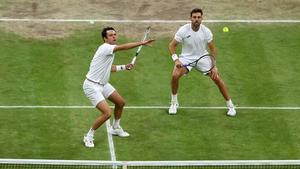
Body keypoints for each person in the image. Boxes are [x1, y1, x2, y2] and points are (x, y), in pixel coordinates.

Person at [83, 27, 154, 148]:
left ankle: (115, 128)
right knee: (107, 113)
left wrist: (124, 67)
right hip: (91, 86)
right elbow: (124, 47)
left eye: (115, 34)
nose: (114, 37)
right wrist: (141, 43)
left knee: (120, 103)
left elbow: (110, 68)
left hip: (103, 84)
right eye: (111, 35)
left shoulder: (108, 51)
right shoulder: (106, 48)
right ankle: (89, 136)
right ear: (105, 38)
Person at [168, 8, 236, 116]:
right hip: (186, 57)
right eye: (194, 17)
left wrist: (214, 66)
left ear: (202, 19)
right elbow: (172, 45)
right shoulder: (183, 30)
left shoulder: (206, 31)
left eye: (199, 17)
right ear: (190, 18)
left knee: (217, 78)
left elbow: (213, 49)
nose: (196, 19)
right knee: (175, 75)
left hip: (202, 57)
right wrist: (176, 60)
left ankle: (231, 106)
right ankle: (174, 103)